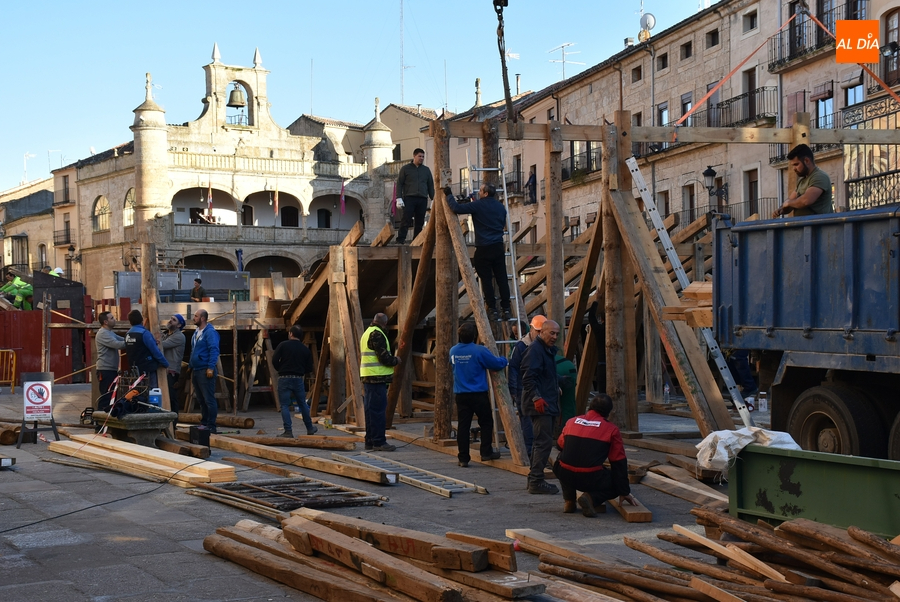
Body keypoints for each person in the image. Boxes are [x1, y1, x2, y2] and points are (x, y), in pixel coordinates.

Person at [553, 393, 637, 517]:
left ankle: (569, 501)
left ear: (590, 407)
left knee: (564, 464)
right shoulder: (612, 430)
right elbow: (618, 463)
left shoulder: (571, 422)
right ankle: (590, 498)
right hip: (589, 478)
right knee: (616, 483)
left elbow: (560, 445)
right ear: (609, 412)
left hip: (564, 473)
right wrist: (624, 491)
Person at [445, 183, 512, 321]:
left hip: (483, 247)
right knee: (502, 278)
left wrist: (449, 194)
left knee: (486, 279)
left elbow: (456, 208)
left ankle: (492, 309)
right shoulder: (501, 207)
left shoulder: (478, 205)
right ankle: (506, 308)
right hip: (498, 246)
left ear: (486, 194)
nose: (479, 192)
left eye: (481, 190)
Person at [449, 321, 508, 467]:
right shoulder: (479, 350)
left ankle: (463, 458)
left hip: (461, 394)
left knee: (463, 426)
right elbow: (495, 364)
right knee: (486, 422)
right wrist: (505, 360)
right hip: (478, 393)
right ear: (475, 336)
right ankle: (486, 452)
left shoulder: (453, 351)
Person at [521, 319, 562, 494]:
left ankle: (534, 479)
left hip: (547, 402)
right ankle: (536, 480)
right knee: (542, 442)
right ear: (541, 332)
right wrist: (536, 397)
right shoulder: (536, 350)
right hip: (540, 405)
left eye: (557, 334)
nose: (554, 337)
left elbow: (545, 376)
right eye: (551, 333)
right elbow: (528, 377)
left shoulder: (546, 351)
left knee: (543, 442)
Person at [359, 313, 400, 451]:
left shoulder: (367, 333)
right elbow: (384, 358)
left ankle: (370, 440)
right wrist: (396, 360)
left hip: (368, 377)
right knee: (377, 411)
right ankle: (379, 441)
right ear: (385, 324)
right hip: (377, 378)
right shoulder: (377, 334)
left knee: (370, 411)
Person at [509, 315, 545, 456]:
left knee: (540, 422)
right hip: (523, 389)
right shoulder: (521, 346)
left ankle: (538, 452)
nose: (540, 334)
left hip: (539, 389)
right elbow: (513, 367)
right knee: (527, 421)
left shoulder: (544, 345)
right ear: (531, 329)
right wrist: (513, 390)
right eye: (538, 331)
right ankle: (530, 452)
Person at [272, 324, 317, 438]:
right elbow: (309, 368)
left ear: (290, 334)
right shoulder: (304, 349)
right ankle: (310, 428)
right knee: (302, 404)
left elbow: (274, 360)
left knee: (284, 405)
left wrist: (281, 369)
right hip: (298, 379)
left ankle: (288, 431)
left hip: (284, 378)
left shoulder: (283, 345)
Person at [772, 144, 833, 218]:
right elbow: (791, 200)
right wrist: (781, 210)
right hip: (804, 226)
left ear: (807, 161)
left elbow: (805, 201)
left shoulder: (820, 176)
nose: (794, 168)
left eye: (796, 164)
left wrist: (788, 203)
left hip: (820, 226)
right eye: (793, 165)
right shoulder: (802, 180)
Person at [190, 309, 220, 432]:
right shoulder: (196, 332)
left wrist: (210, 367)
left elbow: (214, 350)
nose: (194, 318)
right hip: (196, 369)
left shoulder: (210, 332)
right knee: (201, 399)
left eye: (196, 316)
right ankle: (204, 422)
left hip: (204, 370)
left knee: (209, 399)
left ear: (203, 318)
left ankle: (211, 425)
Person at [395, 148, 434, 244]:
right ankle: (400, 240)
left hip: (422, 198)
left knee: (420, 221)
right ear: (414, 156)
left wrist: (433, 199)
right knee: (406, 219)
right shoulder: (405, 169)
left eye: (423, 157)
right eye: (419, 156)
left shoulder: (426, 170)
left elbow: (430, 185)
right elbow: (399, 183)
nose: (421, 158)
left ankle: (417, 240)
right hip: (409, 197)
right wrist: (398, 197)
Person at [124, 309, 168, 392]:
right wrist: (165, 363)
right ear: (141, 320)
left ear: (130, 322)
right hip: (147, 369)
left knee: (137, 393)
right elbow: (155, 351)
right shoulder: (144, 333)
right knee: (151, 393)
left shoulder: (128, 334)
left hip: (134, 370)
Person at [95, 311, 125, 411]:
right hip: (105, 370)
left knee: (112, 396)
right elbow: (118, 344)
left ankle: (106, 421)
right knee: (106, 397)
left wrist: (133, 338)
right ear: (105, 322)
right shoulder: (103, 334)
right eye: (111, 318)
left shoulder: (110, 333)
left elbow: (122, 340)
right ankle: (100, 424)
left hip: (111, 369)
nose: (114, 319)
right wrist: (132, 341)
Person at [161, 314, 187, 414]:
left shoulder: (179, 336)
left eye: (174, 320)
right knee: (165, 397)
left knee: (171, 398)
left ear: (179, 325)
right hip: (165, 370)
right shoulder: (167, 334)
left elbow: (161, 345)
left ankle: (174, 423)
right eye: (171, 318)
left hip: (172, 372)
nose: (170, 320)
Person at [555, 352, 578, 434]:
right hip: (569, 367)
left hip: (556, 369)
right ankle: (570, 432)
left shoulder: (532, 357)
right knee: (568, 403)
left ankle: (558, 433)